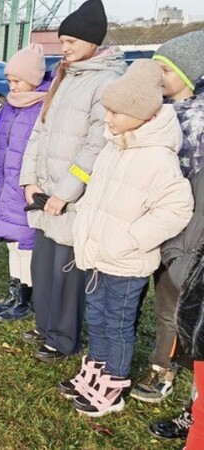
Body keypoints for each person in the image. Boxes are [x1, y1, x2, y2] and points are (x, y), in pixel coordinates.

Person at [59, 60, 193, 417]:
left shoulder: (157, 158)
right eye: (108, 110)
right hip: (99, 257)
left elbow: (177, 208)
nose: (109, 118)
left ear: (143, 114)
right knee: (98, 317)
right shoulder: (113, 147)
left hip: (125, 261)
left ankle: (113, 385)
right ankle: (96, 372)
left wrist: (131, 239)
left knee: (116, 325)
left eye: (116, 112)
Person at [18, 0, 127, 363]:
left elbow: (96, 144)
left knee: (66, 273)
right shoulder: (65, 76)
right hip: (43, 192)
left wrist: (65, 193)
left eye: (71, 41)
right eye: (62, 40)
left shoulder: (106, 81)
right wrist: (29, 181)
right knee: (43, 266)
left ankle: (63, 338)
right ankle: (46, 325)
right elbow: (40, 131)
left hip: (70, 199)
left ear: (93, 41)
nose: (64, 47)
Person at [133, 30, 204, 406]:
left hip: (182, 227)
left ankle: (163, 367)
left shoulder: (199, 118)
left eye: (166, 70)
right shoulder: (150, 110)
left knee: (169, 299)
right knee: (131, 291)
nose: (157, 76)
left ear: (189, 75)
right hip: (141, 214)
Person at [0, 44, 50, 321]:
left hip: (24, 188)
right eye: (9, 81)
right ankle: (13, 291)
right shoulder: (9, 105)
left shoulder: (43, 107)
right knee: (11, 241)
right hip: (3, 183)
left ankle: (25, 296)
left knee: (25, 244)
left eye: (17, 81)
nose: (12, 86)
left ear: (33, 79)